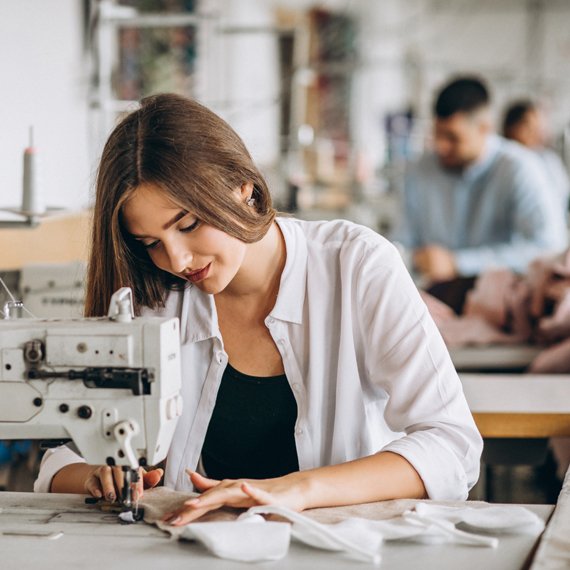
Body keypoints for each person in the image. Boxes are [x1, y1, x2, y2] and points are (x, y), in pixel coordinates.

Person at [34, 93, 482, 526]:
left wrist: (299, 490)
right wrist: (96, 475)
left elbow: (452, 447)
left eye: (189, 225)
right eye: (151, 243)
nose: (177, 260)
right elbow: (63, 455)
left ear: (242, 186)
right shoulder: (157, 294)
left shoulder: (356, 265)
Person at [394, 77, 567, 286]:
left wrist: (458, 263)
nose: (441, 146)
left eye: (452, 137)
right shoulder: (421, 170)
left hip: (501, 302)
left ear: (484, 128)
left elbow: (547, 248)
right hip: (433, 295)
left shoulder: (520, 169)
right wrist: (412, 258)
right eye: (438, 134)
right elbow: (402, 241)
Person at [502, 99, 570, 212]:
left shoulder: (549, 160)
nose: (536, 133)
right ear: (512, 128)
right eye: (529, 127)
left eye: (537, 128)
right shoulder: (500, 163)